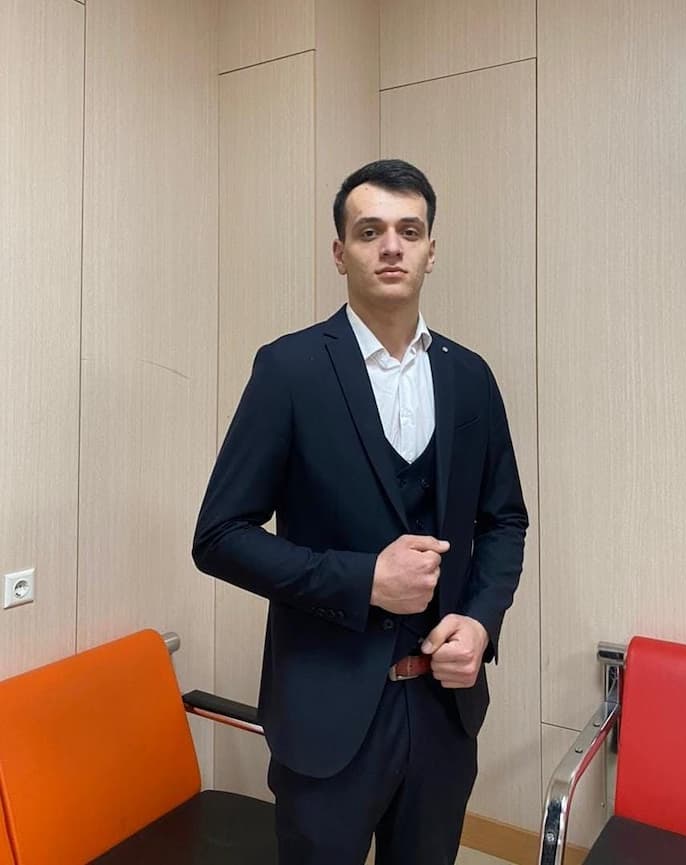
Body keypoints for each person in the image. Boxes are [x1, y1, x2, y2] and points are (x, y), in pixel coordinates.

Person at [192, 158, 528, 865]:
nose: (392, 247)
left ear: (432, 251)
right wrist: (363, 579)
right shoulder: (289, 370)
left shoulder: (470, 376)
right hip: (324, 715)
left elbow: (503, 520)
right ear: (340, 252)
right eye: (370, 231)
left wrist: (481, 620)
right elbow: (219, 536)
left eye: (410, 230)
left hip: (444, 712)